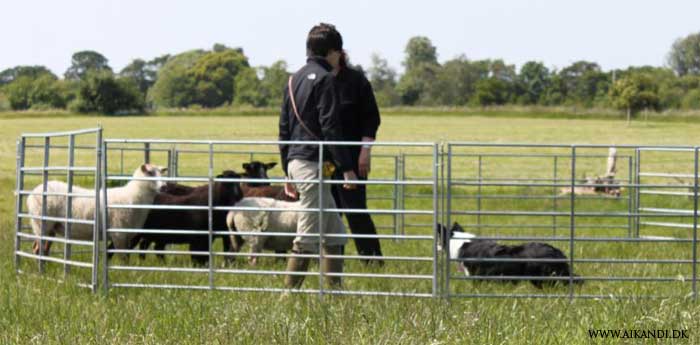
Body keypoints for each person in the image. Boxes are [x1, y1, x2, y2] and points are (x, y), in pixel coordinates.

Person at [278, 23, 358, 290]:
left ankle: (335, 293)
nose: (339, 59)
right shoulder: (326, 79)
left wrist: (286, 170)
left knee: (335, 233)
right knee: (308, 233)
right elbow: (330, 126)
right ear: (332, 52)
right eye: (339, 53)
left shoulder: (293, 79)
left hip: (297, 163)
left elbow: (284, 129)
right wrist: (347, 167)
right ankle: (288, 297)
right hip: (313, 165)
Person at [330, 52, 384, 265]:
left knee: (356, 211)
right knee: (327, 213)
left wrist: (365, 150)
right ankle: (331, 261)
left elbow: (372, 118)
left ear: (339, 54)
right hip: (324, 158)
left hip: (353, 157)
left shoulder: (357, 80)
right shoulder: (319, 79)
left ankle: (372, 260)